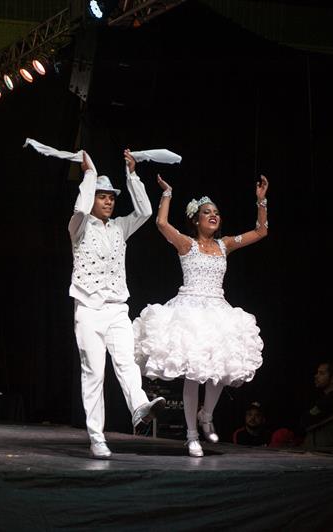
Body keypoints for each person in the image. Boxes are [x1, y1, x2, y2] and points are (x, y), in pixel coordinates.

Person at [133, 174, 268, 457]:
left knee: (221, 368)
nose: (214, 215)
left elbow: (260, 232)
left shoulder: (225, 244)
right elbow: (161, 223)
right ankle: (192, 435)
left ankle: (206, 414)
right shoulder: (187, 244)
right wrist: (167, 193)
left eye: (216, 212)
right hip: (191, 310)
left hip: (218, 309)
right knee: (194, 374)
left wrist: (261, 201)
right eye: (207, 212)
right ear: (196, 219)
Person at [69, 149, 166, 460]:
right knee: (94, 373)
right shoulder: (79, 226)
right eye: (102, 196)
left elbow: (145, 212)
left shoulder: (120, 226)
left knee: (126, 361)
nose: (108, 201)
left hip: (116, 307)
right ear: (92, 199)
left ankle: (139, 407)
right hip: (88, 308)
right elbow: (80, 207)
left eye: (111, 197)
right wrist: (89, 174)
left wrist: (132, 174)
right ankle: (96, 437)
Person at [299, 361, 333, 448]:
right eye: (317, 373)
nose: (316, 376)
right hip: (322, 451)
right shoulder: (330, 397)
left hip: (327, 452)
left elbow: (305, 420)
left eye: (322, 373)